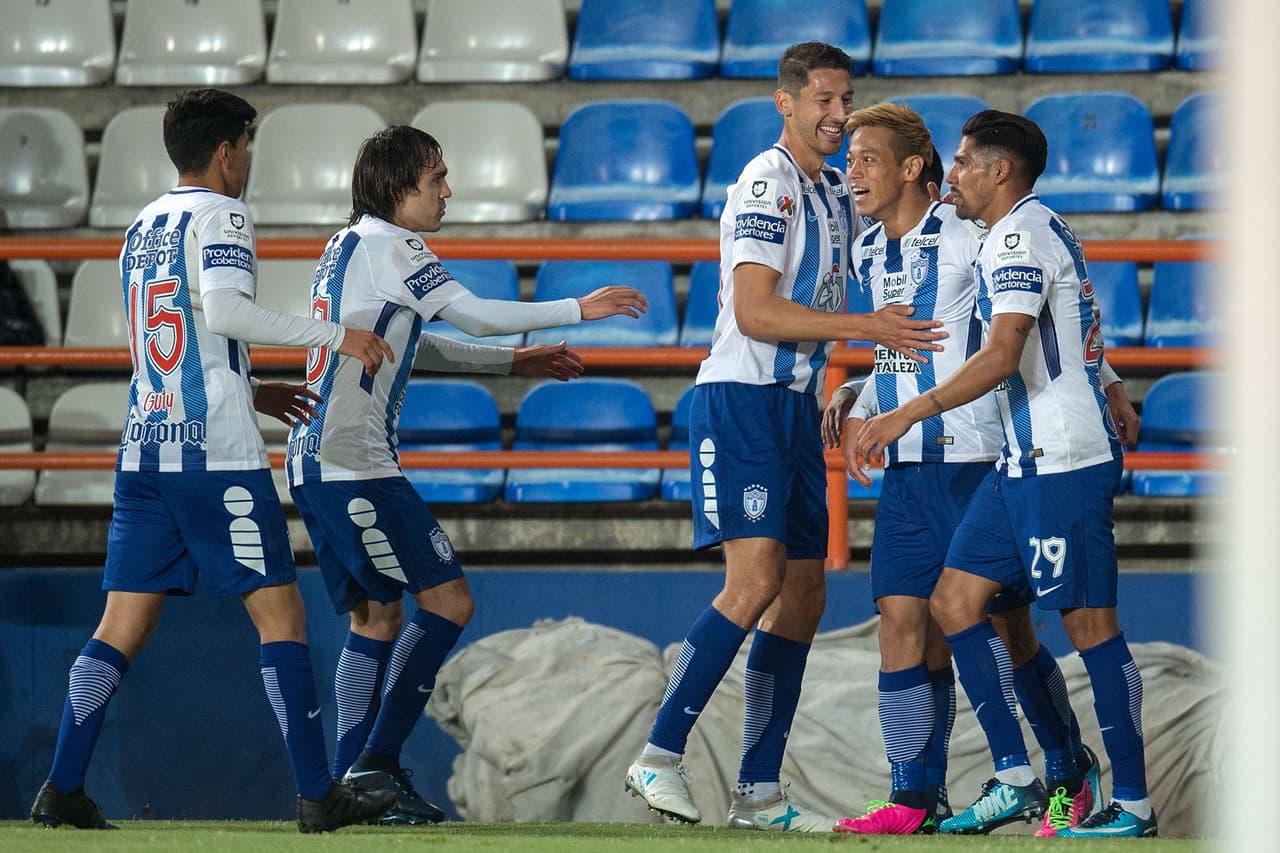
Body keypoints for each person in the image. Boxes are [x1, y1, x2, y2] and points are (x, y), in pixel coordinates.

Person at [29, 88, 397, 833]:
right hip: (215, 458)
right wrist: (336, 337)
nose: (249, 163)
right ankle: (317, 792)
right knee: (281, 614)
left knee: (121, 623)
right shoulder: (221, 214)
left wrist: (248, 386)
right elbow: (225, 312)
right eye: (247, 148)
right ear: (227, 151)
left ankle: (62, 785)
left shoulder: (141, 224)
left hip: (146, 449)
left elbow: (174, 337)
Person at [622, 42, 948, 833]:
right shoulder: (767, 183)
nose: (839, 115)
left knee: (804, 595)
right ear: (787, 103)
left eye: (846, 101)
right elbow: (757, 310)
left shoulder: (834, 189)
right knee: (758, 578)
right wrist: (864, 329)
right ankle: (659, 753)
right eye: (825, 101)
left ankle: (757, 792)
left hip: (796, 407)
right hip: (742, 399)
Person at [285, 124, 648, 825]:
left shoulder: (347, 244)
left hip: (316, 459)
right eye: (436, 179)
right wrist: (581, 307)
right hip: (354, 461)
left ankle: (346, 788)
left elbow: (414, 346)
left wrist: (518, 361)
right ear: (398, 189)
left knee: (377, 615)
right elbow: (476, 316)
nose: (448, 191)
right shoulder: (396, 244)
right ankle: (375, 764)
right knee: (448, 601)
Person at [823, 105, 1136, 837]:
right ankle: (914, 794)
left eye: (867, 158)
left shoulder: (972, 235)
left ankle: (1060, 767)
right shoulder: (869, 251)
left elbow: (1029, 324)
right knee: (901, 623)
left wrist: (1110, 379)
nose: (852, 171)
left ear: (911, 168)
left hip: (979, 457)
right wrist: (857, 392)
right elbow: (900, 353)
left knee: (1008, 627)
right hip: (906, 466)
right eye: (851, 159)